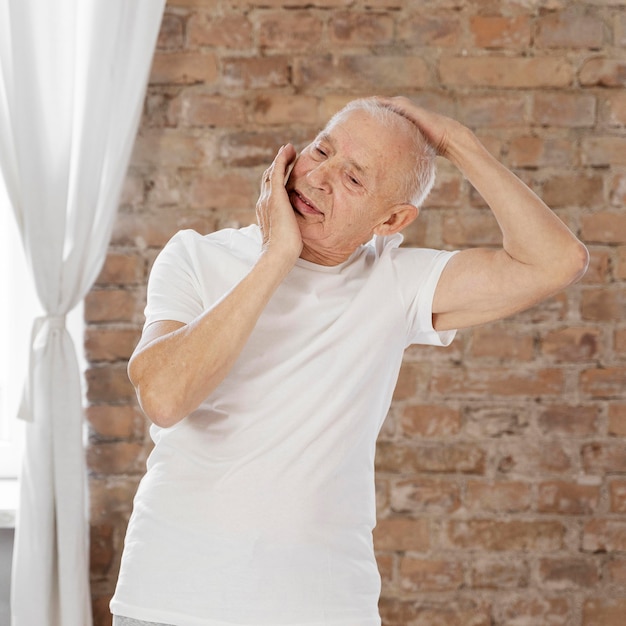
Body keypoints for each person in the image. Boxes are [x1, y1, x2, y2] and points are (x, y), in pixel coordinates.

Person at [110, 97, 588, 626]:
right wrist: (276, 257)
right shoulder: (196, 256)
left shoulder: (396, 282)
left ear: (390, 219)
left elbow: (556, 261)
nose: (318, 177)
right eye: (321, 150)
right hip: (171, 600)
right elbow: (163, 396)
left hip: (325, 606)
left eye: (354, 180)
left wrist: (456, 143)